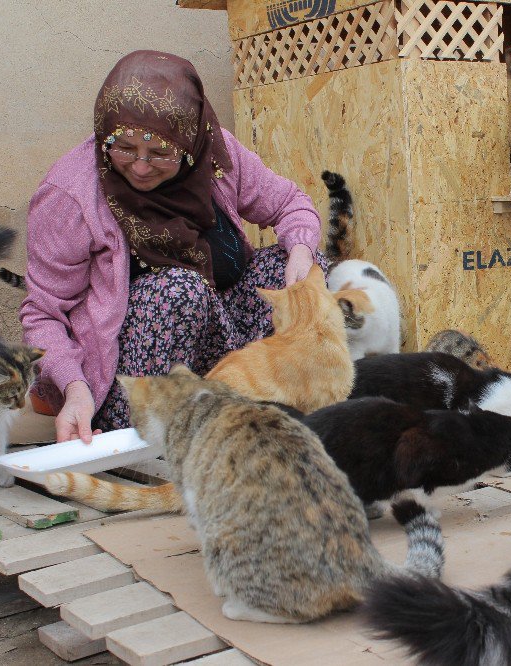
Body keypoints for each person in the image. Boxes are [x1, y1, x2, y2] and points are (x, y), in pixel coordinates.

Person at [21, 50, 324, 444]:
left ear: (191, 142)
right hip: (135, 377)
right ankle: (165, 427)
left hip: (224, 345)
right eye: (124, 147)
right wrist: (74, 388)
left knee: (298, 270)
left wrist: (301, 249)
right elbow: (42, 314)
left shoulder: (217, 154)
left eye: (160, 152)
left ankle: (259, 405)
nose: (141, 166)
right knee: (179, 290)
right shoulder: (71, 195)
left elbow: (290, 205)